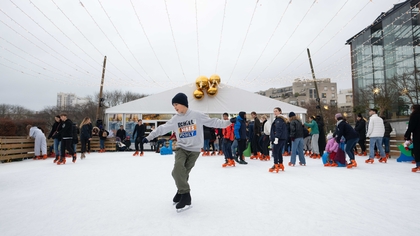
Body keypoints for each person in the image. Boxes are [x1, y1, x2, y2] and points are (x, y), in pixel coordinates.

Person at [142, 92, 233, 211]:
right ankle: (186, 195)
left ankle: (180, 193)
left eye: (176, 104)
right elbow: (162, 128)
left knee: (183, 173)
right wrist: (149, 137)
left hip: (194, 150)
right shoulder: (175, 119)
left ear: (183, 104)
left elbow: (214, 122)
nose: (175, 107)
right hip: (182, 148)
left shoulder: (197, 115)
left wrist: (230, 122)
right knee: (177, 171)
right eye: (173, 105)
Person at [269, 107, 288, 172]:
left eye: (276, 111)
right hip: (282, 138)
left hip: (279, 138)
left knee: (275, 151)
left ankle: (276, 164)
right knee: (279, 151)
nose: (275, 112)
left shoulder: (279, 120)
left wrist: (276, 138)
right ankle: (280, 163)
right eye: (274, 111)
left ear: (280, 112)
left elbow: (278, 129)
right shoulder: (281, 119)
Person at [404, 104, 420, 172]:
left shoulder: (414, 116)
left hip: (418, 135)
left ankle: (419, 165)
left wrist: (407, 135)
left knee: (418, 150)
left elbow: (411, 126)